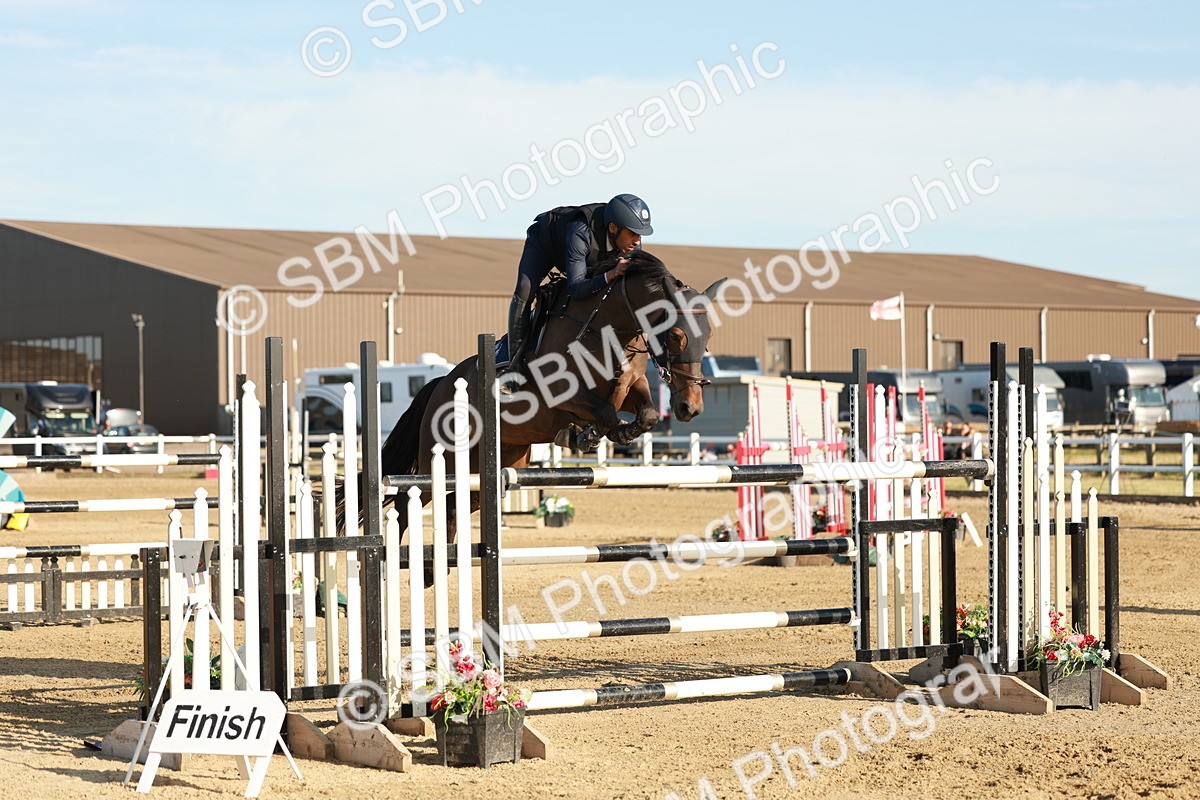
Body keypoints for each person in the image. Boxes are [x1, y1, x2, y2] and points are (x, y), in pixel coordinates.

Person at [504, 193, 654, 375]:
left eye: (639, 234)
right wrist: (610, 274)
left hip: (585, 256)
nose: (637, 241)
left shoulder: (630, 243)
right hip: (546, 244)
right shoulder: (580, 231)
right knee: (525, 289)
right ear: (613, 228)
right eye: (632, 233)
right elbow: (576, 289)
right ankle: (514, 364)